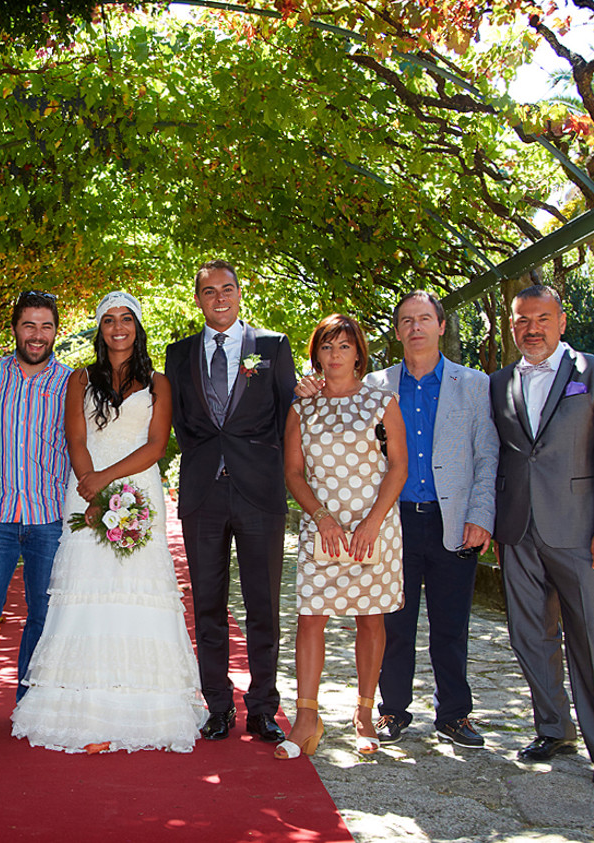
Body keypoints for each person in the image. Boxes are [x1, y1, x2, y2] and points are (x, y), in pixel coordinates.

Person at [12, 291, 206, 753]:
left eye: (126, 320)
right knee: (86, 590)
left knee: (135, 589)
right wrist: (90, 486)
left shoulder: (159, 383)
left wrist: (109, 482)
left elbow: (157, 445)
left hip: (139, 487)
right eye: (108, 321)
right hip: (85, 494)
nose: (117, 328)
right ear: (99, 329)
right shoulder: (81, 379)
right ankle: (81, 706)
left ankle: (142, 705)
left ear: (138, 327)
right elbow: (74, 437)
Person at [491, 284, 594, 791]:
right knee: (529, 635)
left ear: (561, 319)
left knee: (592, 638)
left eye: (541, 318)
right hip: (516, 529)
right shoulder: (500, 381)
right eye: (521, 321)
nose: (531, 329)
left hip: (580, 532)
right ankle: (553, 728)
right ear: (512, 325)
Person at [165, 260, 297, 743]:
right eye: (208, 291)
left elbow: (289, 417)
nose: (219, 298)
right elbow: (181, 423)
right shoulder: (177, 354)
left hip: (259, 493)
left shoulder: (272, 346)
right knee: (208, 606)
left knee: (264, 605)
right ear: (197, 299)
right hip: (204, 492)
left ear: (240, 294)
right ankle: (217, 705)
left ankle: (263, 707)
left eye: (227, 289)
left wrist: (266, 467)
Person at [367, 292, 499, 749]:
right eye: (407, 320)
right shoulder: (375, 384)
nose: (416, 327)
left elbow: (488, 455)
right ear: (398, 330)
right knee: (395, 623)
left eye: (425, 318)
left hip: (454, 520)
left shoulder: (475, 385)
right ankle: (392, 710)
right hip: (394, 522)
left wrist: (481, 516)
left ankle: (455, 715)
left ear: (441, 326)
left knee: (451, 626)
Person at [276, 314, 407, 759]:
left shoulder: (382, 401)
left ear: (359, 354)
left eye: (344, 347)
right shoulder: (302, 407)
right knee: (311, 617)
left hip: (375, 527)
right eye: (326, 347)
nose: (334, 356)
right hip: (323, 529)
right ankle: (307, 719)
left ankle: (365, 713)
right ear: (316, 354)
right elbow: (293, 472)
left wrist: (372, 522)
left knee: (371, 618)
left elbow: (398, 466)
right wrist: (321, 516)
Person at [0, 290, 73, 737]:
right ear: (15, 329)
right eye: (29, 325)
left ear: (56, 331)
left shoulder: (70, 382)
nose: (37, 335)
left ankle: (29, 701)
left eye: (45, 326)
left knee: (42, 616)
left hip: (48, 516)